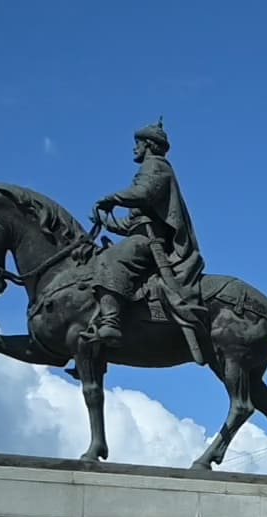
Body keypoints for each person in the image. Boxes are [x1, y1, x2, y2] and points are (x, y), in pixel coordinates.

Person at [87, 118, 211, 357]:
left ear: (148, 145)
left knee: (110, 259)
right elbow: (134, 222)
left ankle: (111, 322)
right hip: (142, 235)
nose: (135, 148)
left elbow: (144, 194)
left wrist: (114, 198)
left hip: (152, 241)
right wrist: (106, 223)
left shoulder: (156, 165)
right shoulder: (149, 168)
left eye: (138, 143)